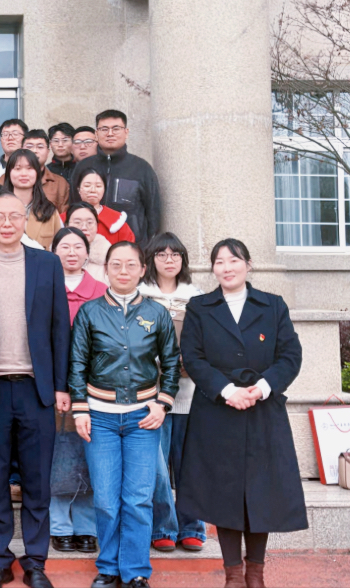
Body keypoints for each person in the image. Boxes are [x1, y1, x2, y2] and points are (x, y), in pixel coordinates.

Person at [0, 192, 71, 588]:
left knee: (37, 481)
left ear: (25, 220)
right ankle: (0, 559)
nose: (6, 223)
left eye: (14, 216)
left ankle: (35, 562)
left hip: (37, 389)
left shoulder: (47, 263)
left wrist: (61, 386)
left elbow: (60, 327)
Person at [177, 239, 307, 588]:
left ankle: (256, 573)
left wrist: (262, 388)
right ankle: (233, 573)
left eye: (234, 260)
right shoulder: (200, 307)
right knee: (224, 492)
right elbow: (193, 357)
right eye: (219, 262)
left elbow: (290, 356)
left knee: (261, 490)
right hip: (217, 412)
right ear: (213, 268)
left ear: (248, 264)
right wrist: (227, 391)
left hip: (262, 410)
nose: (227, 267)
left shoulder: (273, 305)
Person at [68, 241, 180, 588]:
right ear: (106, 270)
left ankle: (135, 571)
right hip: (99, 417)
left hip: (143, 418)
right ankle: (109, 568)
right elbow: (77, 363)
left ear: (143, 270)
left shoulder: (157, 313)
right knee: (105, 498)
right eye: (116, 264)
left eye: (131, 265)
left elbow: (172, 363)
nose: (123, 271)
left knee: (138, 498)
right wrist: (80, 408)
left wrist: (162, 403)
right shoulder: (89, 312)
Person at [138, 233, 206, 554]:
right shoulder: (139, 295)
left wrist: (191, 362)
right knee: (156, 466)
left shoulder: (197, 297)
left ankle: (192, 527)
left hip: (190, 393)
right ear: (150, 259)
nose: (169, 260)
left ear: (183, 260)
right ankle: (163, 526)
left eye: (175, 254)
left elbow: (209, 340)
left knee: (190, 464)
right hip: (151, 395)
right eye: (162, 254)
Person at [48, 227, 105, 556]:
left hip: (94, 389)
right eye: (64, 246)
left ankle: (86, 526)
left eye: (78, 246)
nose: (71, 252)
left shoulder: (102, 291)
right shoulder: (45, 287)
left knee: (89, 453)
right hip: (55, 389)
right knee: (59, 456)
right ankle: (59, 525)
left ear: (87, 252)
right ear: (53, 251)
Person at [71, 110, 161, 243]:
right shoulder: (83, 167)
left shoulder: (142, 168)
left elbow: (153, 213)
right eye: (104, 129)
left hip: (131, 246)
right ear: (96, 134)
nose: (110, 133)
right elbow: (74, 204)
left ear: (126, 132)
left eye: (116, 129)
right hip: (89, 245)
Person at [0, 150, 63, 251]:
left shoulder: (49, 210)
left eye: (29, 168)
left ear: (37, 173)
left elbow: (60, 247)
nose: (23, 174)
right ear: (9, 173)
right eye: (18, 168)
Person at [76, 172, 136, 246]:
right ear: (78, 189)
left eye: (98, 186)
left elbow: (128, 249)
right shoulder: (64, 219)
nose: (93, 190)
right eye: (87, 185)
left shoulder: (118, 222)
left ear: (104, 190)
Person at [21, 130, 70, 215]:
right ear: (21, 150)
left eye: (40, 147)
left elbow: (64, 217)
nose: (34, 151)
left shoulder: (60, 183)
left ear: (48, 152)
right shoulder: (7, 179)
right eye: (29, 147)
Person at [66, 203, 108, 283]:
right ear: (66, 225)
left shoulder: (109, 259)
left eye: (89, 222)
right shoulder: (55, 259)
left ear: (97, 226)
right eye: (77, 222)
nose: (84, 227)